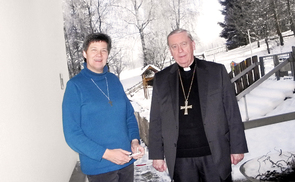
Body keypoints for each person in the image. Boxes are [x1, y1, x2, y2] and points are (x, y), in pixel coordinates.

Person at [148, 29, 248, 182]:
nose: (180, 50)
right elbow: (156, 119)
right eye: (174, 46)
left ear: (193, 45)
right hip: (180, 159)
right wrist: (156, 154)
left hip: (215, 154)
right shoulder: (161, 79)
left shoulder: (216, 71)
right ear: (170, 50)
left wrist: (237, 147)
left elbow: (232, 111)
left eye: (183, 44)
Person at [62, 33, 144, 182]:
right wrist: (106, 154)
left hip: (126, 161)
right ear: (84, 53)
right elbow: (72, 135)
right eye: (94, 49)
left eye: (104, 50)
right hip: (99, 167)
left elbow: (129, 116)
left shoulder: (113, 80)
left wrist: (134, 140)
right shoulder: (75, 86)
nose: (99, 54)